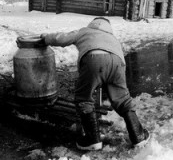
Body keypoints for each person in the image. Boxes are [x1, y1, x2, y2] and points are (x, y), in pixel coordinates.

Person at [41, 17, 149, 150]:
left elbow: (61, 38)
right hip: (118, 64)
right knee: (122, 100)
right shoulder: (113, 38)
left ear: (92, 24)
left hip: (94, 60)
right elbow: (121, 61)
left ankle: (92, 139)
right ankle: (138, 136)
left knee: (84, 98)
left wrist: (46, 38)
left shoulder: (85, 31)